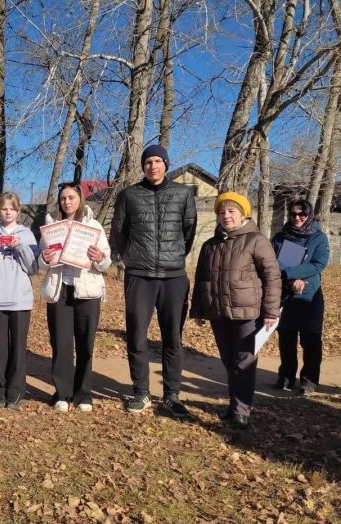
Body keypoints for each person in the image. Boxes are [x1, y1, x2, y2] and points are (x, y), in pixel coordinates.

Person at [110, 144, 197, 418]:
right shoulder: (128, 195)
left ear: (166, 164)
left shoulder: (183, 194)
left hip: (173, 277)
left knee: (173, 338)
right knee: (136, 336)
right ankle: (141, 393)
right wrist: (130, 257)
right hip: (140, 276)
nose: (153, 166)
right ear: (143, 166)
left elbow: (189, 230)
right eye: (148, 161)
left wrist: (173, 257)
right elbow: (118, 232)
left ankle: (171, 395)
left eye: (158, 161)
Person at [190, 192, 281, 429]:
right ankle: (233, 406)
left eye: (231, 211)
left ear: (243, 214)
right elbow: (201, 278)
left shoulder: (256, 240)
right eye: (222, 211)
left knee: (244, 362)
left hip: (248, 313)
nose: (226, 215)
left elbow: (272, 276)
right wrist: (198, 308)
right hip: (218, 313)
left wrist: (271, 311)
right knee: (229, 361)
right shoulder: (210, 245)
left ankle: (242, 410)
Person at [38, 182, 111, 412]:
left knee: (85, 344)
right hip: (60, 290)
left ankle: (84, 394)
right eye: (63, 198)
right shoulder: (51, 227)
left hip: (87, 291)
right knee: (61, 344)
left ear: (80, 199)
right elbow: (41, 264)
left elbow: (106, 263)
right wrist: (45, 258)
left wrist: (99, 257)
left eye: (71, 197)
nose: (67, 202)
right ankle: (62, 393)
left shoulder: (93, 226)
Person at [0, 192, 39, 410]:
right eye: (4, 208)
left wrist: (19, 247)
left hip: (20, 300)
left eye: (11, 209)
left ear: (18, 211)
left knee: (18, 348)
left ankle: (15, 392)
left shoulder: (27, 235)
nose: (7, 212)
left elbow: (33, 268)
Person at [271, 199, 329, 396]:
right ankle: (286, 377)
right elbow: (271, 261)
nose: (297, 218)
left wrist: (296, 275)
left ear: (309, 215)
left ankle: (309, 380)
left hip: (309, 295)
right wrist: (287, 278)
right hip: (285, 293)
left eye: (302, 214)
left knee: (310, 339)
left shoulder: (318, 237)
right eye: (294, 214)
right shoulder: (280, 237)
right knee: (286, 338)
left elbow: (318, 263)